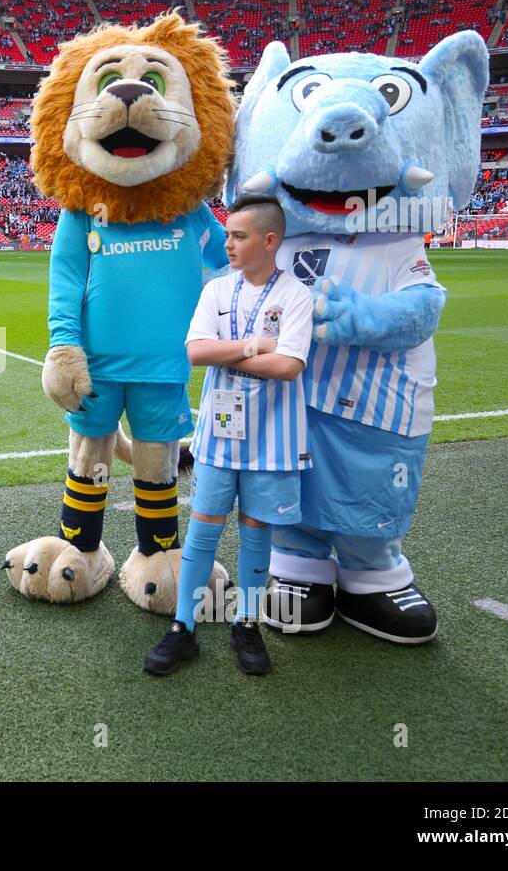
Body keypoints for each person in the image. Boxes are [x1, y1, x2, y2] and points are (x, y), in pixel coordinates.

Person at [144, 194, 313, 677]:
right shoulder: (218, 291)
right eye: (227, 234)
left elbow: (288, 366)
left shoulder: (296, 296)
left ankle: (246, 623)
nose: (228, 243)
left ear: (269, 240)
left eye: (239, 236)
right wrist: (254, 344)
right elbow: (196, 352)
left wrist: (231, 352)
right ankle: (184, 628)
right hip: (219, 433)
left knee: (257, 536)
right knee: (202, 534)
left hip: (273, 440)